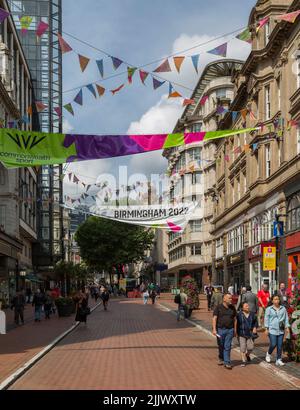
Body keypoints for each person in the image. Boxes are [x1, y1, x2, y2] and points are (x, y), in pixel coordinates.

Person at [212, 293, 237, 369]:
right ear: (224, 299)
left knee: (227, 346)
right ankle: (221, 357)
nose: (231, 300)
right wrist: (214, 329)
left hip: (230, 329)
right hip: (220, 330)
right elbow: (214, 318)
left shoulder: (232, 308)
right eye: (229, 298)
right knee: (221, 345)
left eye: (231, 298)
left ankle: (227, 362)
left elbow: (235, 319)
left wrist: (235, 330)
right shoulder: (218, 307)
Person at [265, 294, 290, 366]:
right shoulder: (269, 309)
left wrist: (287, 327)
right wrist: (266, 328)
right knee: (273, 343)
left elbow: (286, 318)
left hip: (281, 329)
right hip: (272, 329)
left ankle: (278, 359)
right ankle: (268, 353)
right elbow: (266, 319)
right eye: (275, 299)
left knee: (280, 345)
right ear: (272, 300)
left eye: (278, 299)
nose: (276, 301)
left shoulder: (283, 308)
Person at [237, 302, 258, 367]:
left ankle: (247, 355)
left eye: (248, 306)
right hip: (241, 333)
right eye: (246, 306)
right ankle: (243, 361)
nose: (248, 307)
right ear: (242, 308)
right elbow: (236, 323)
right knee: (242, 348)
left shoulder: (252, 314)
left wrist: (255, 327)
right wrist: (236, 332)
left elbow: (255, 322)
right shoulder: (239, 315)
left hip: (250, 334)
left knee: (250, 347)